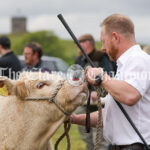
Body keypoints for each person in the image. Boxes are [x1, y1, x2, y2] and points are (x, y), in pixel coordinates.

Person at [71, 14, 150, 150]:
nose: (102, 48)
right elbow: (108, 116)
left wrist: (101, 77)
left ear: (115, 37)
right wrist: (74, 119)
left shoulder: (138, 60)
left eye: (104, 41)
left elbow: (130, 95)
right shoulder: (125, 65)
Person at [75, 33, 116, 150]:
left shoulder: (101, 57)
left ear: (87, 43)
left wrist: (97, 91)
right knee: (86, 137)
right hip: (86, 101)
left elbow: (108, 76)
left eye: (79, 43)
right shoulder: (79, 60)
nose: (77, 46)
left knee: (99, 140)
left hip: (101, 101)